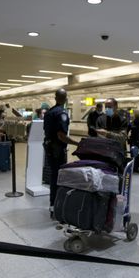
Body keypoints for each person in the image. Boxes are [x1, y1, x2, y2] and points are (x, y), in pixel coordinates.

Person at [43, 88, 79, 217]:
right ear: (65, 98)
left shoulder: (49, 112)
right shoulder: (61, 113)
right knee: (59, 177)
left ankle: (53, 205)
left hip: (49, 148)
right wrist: (78, 144)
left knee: (54, 176)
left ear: (55, 97)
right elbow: (61, 135)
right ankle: (57, 205)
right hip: (57, 150)